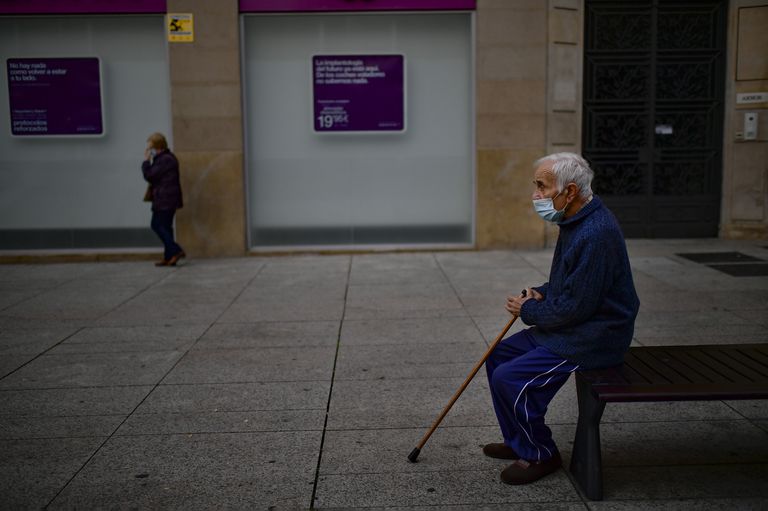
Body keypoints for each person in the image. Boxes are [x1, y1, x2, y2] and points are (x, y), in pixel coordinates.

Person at [484, 152, 639, 485]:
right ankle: (520, 439)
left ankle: (540, 453)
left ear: (569, 191)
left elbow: (575, 308)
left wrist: (527, 310)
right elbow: (572, 285)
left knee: (509, 378)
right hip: (575, 326)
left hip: (593, 336)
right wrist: (542, 292)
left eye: (542, 186)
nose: (536, 195)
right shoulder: (575, 219)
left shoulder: (595, 233)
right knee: (498, 356)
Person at [142, 132, 185, 266]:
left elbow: (150, 175)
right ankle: (169, 257)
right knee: (166, 227)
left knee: (156, 225)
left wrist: (146, 161)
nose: (149, 150)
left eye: (150, 148)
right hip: (167, 198)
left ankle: (176, 250)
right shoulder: (164, 158)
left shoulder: (165, 159)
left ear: (158, 146)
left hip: (165, 199)